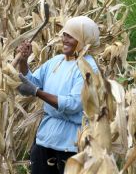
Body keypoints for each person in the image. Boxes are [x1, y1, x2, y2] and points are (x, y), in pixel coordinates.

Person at [16, 16, 100, 174]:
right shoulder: (57, 61)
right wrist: (23, 62)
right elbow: (30, 83)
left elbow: (72, 105)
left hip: (71, 146)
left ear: (84, 39)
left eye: (71, 36)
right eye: (64, 35)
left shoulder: (88, 68)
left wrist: (36, 92)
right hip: (45, 140)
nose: (65, 40)